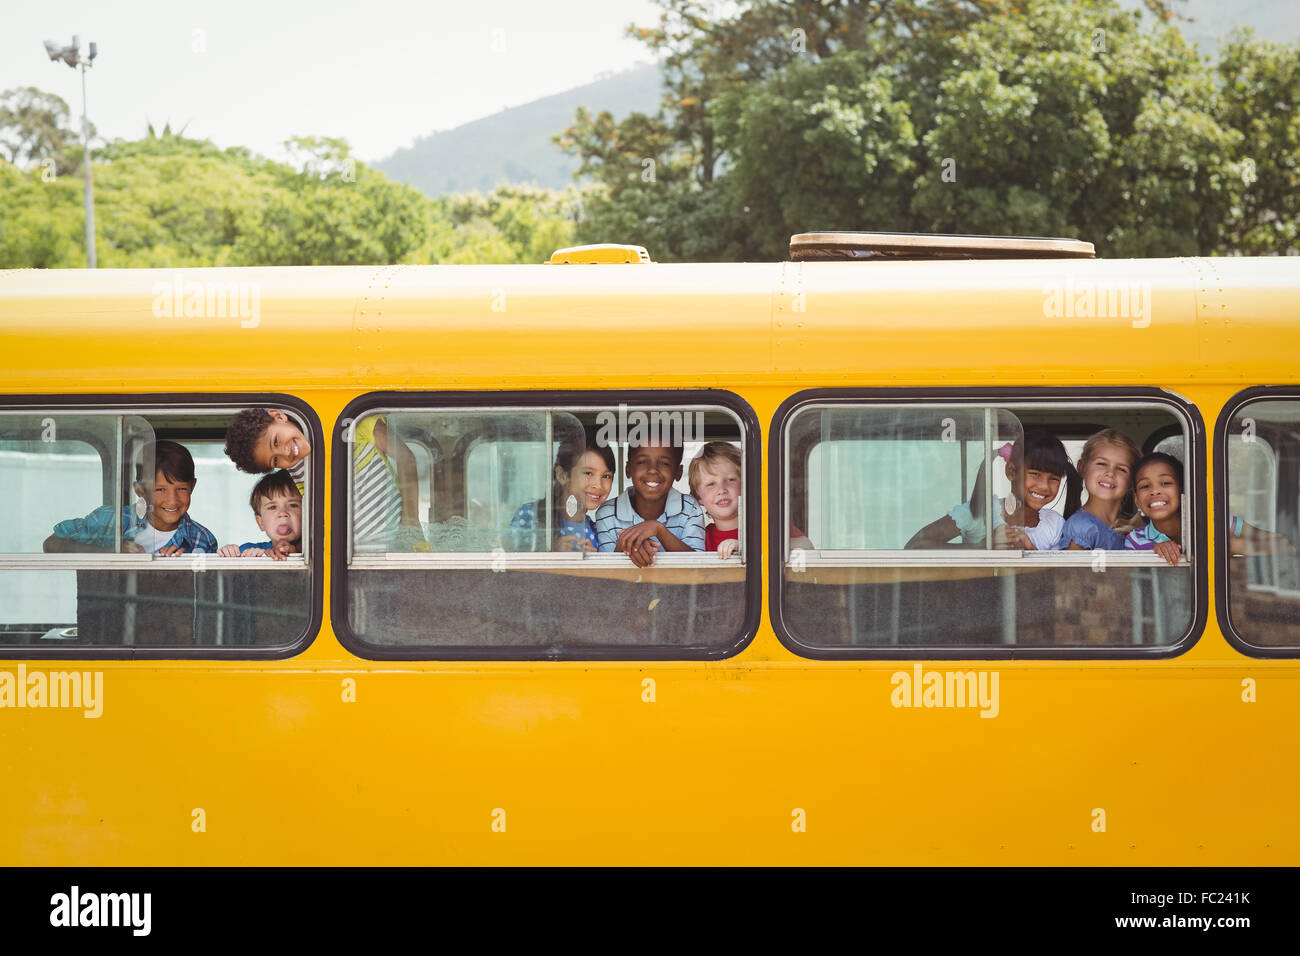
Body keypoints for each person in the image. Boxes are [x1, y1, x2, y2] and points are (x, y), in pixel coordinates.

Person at [224, 408, 422, 550]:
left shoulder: (353, 422)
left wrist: (411, 522)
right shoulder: (297, 468)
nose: (285, 452)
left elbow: (405, 457)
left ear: (279, 416)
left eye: (276, 440)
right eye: (275, 459)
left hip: (395, 548)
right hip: (351, 561)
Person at [905, 429, 1080, 550]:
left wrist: (1029, 546)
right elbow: (915, 546)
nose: (1043, 486)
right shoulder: (980, 511)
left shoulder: (1054, 524)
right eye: (1034, 474)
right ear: (1011, 472)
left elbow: (1057, 576)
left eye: (1054, 479)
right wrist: (982, 547)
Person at [43, 440, 216, 555]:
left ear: (192, 486)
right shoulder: (110, 520)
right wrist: (112, 551)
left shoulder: (202, 539)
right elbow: (51, 544)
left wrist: (184, 568)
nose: (172, 500)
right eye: (160, 489)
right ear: (140, 490)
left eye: (181, 489)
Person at [687, 441, 811, 559]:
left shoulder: (773, 529)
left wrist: (749, 549)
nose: (722, 489)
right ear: (698, 498)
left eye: (731, 480)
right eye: (711, 484)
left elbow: (805, 551)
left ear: (747, 486)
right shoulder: (700, 538)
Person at [595, 439, 705, 567]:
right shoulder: (607, 513)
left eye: (664, 463)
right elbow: (606, 576)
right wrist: (626, 546)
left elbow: (698, 566)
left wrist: (659, 530)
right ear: (628, 469)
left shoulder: (690, 508)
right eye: (642, 462)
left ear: (678, 472)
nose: (653, 470)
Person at [508, 432, 615, 552]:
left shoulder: (598, 531)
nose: (598, 485)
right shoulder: (530, 515)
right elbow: (511, 559)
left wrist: (593, 561)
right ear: (562, 475)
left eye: (606, 476)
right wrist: (551, 552)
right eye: (588, 473)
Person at [1058, 428, 1142, 551]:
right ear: (1082, 467)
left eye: (1121, 469)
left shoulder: (1135, 523)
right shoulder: (1080, 527)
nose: (1110, 473)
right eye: (1101, 464)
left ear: (1132, 481)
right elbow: (1074, 571)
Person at [218, 470, 302, 560]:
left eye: (293, 505)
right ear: (260, 522)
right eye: (272, 507)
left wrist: (295, 553)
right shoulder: (247, 551)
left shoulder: (315, 552)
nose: (282, 513)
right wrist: (229, 553)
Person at [1124, 452, 1185, 565]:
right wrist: (1155, 550)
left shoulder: (1206, 527)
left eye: (1166, 483)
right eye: (1145, 486)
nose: (1154, 491)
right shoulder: (1135, 540)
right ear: (1137, 500)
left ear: (1181, 490)